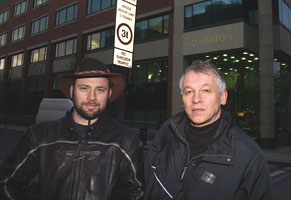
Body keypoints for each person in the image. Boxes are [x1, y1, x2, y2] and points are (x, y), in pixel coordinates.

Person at [0, 58, 144, 200]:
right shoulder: (39, 136)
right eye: (84, 88)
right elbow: (7, 183)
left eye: (100, 90)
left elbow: (135, 192)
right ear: (71, 91)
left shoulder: (126, 140)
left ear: (109, 94)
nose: (92, 97)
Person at [144, 60, 273, 200]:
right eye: (189, 91)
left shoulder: (249, 156)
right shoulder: (167, 133)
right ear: (183, 99)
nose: (196, 99)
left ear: (223, 97)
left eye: (205, 90)